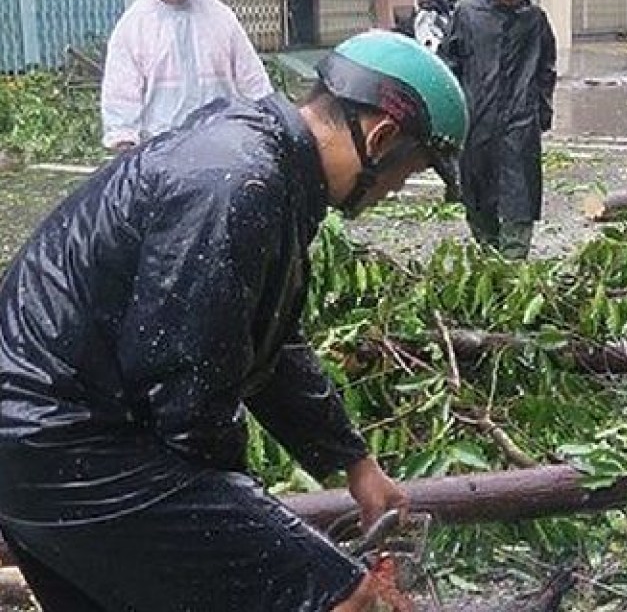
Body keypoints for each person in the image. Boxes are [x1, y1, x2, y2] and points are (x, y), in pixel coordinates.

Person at [0, 30, 468, 611]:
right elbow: (188, 389)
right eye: (410, 171)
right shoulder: (240, 182)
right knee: (345, 597)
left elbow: (268, 346)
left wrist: (355, 463)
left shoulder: (265, 164)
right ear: (382, 137)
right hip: (68, 443)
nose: (395, 191)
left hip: (42, 444)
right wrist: (246, 512)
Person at [439, 0, 557, 260]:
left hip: (520, 125)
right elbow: (449, 65)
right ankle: (489, 259)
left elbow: (546, 69)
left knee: (520, 199)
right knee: (478, 196)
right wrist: (452, 116)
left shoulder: (534, 20)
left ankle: (515, 264)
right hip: (478, 123)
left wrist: (540, 112)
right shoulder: (468, 16)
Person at [101, 0, 273, 152]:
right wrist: (124, 141)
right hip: (161, 147)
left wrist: (268, 116)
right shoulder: (134, 27)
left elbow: (251, 77)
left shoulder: (220, 18)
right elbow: (120, 90)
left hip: (222, 141)